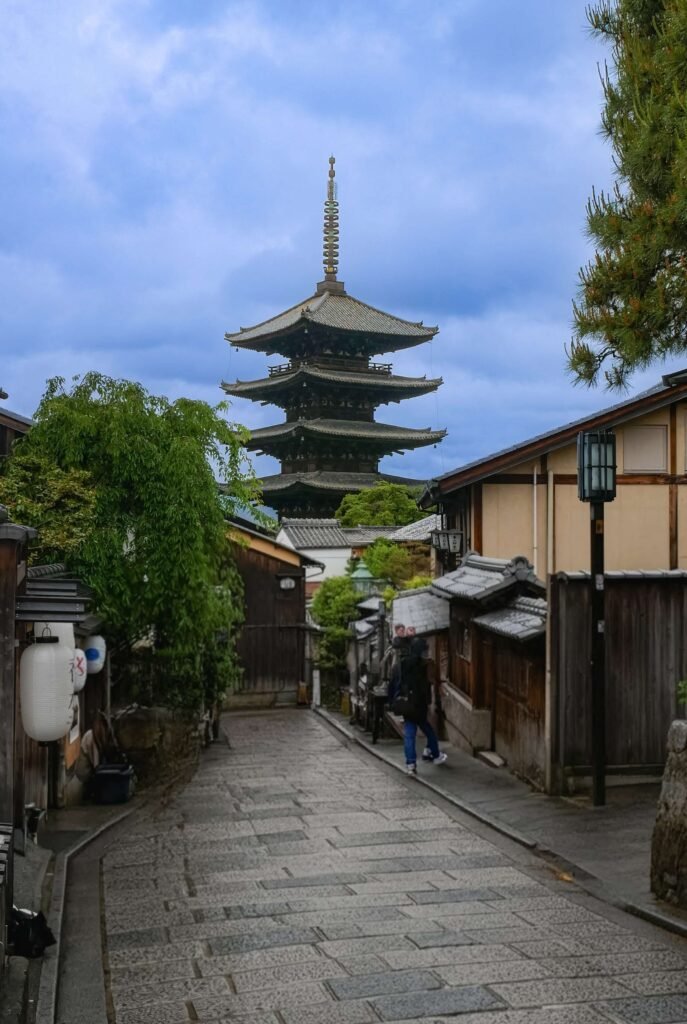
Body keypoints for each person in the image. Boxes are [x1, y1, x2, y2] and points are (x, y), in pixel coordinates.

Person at [395, 636, 447, 776]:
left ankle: (411, 764)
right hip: (421, 703)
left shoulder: (404, 663)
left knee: (409, 734)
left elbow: (399, 681)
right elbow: (430, 681)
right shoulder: (426, 664)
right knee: (428, 730)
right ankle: (435, 755)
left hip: (408, 702)